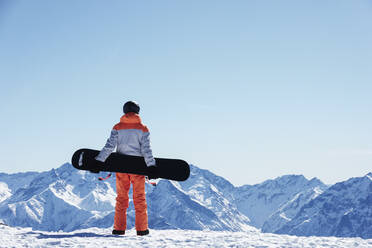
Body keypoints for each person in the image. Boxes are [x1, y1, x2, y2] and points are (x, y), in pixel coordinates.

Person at [95, 101, 157, 236]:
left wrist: (100, 160)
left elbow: (110, 145)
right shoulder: (143, 128)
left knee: (121, 198)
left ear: (124, 111)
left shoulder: (117, 127)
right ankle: (141, 230)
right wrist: (151, 165)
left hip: (121, 166)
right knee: (139, 199)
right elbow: (146, 149)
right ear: (138, 111)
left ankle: (119, 229)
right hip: (138, 168)